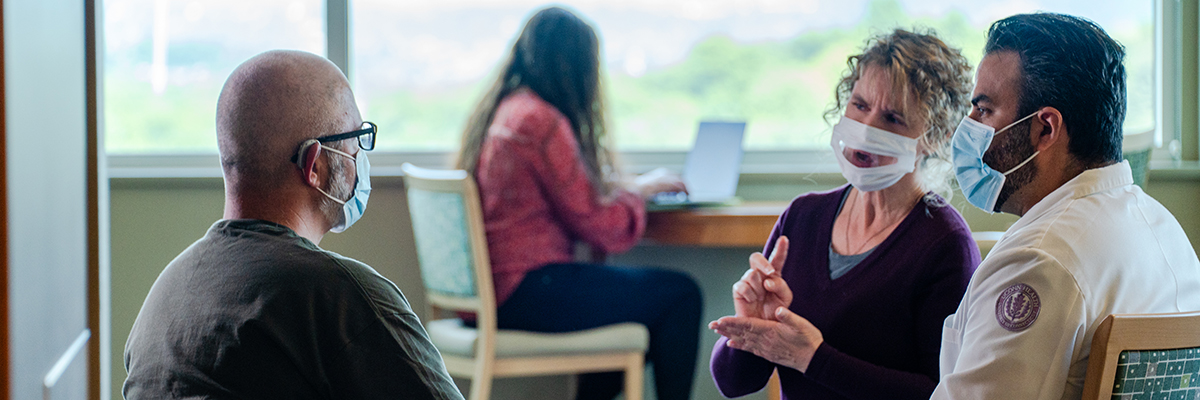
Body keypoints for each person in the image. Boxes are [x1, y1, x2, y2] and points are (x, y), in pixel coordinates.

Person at [123, 50, 463, 400]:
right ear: (314, 164)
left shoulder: (166, 296)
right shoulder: (339, 298)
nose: (362, 158)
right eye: (357, 141)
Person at [932, 13, 1200, 399]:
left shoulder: (1039, 260)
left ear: (1045, 128)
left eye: (985, 110)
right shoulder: (1164, 229)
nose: (968, 126)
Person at [709, 29, 979, 400]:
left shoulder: (945, 245)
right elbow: (733, 384)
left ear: (935, 137)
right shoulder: (803, 218)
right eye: (860, 105)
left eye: (893, 118)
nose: (866, 131)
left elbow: (940, 393)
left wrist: (813, 358)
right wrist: (751, 326)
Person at [454, 6, 703, 400]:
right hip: (527, 288)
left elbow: (570, 197)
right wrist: (640, 191)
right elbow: (598, 224)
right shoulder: (542, 121)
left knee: (626, 307)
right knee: (680, 294)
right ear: (576, 66)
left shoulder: (509, 110)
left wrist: (626, 188)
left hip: (495, 293)